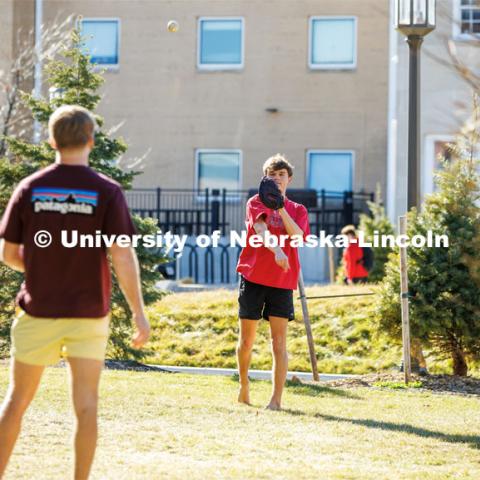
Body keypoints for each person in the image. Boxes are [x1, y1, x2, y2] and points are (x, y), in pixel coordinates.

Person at [0, 105, 150, 480]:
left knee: (16, 402)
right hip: (89, 315)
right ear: (90, 140)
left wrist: (39, 269)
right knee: (86, 406)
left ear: (52, 140)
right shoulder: (106, 191)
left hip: (38, 311)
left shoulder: (31, 188)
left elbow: (8, 254)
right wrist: (138, 313)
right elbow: (122, 256)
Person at [236, 154, 310, 410]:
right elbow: (260, 231)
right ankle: (244, 384)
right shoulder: (256, 202)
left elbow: (298, 236)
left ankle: (276, 400)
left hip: (282, 280)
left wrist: (280, 208)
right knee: (247, 341)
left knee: (278, 343)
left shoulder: (298, 210)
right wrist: (278, 251)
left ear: (289, 179)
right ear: (265, 178)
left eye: (281, 175)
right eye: (272, 174)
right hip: (254, 276)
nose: (277, 179)